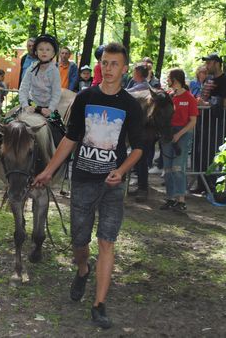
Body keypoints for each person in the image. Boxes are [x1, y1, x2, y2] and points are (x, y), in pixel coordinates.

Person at [32, 42, 143, 330]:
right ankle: (82, 269)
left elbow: (139, 148)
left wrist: (121, 171)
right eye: (104, 63)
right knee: (80, 242)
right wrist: (47, 170)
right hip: (82, 180)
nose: (108, 69)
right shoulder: (85, 98)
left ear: (125, 68)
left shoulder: (130, 104)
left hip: (112, 186)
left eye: (114, 64)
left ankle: (99, 305)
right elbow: (70, 139)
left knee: (107, 241)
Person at [191, 53, 226, 195]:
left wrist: (206, 104)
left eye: (209, 63)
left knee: (210, 153)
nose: (207, 66)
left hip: (214, 122)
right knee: (199, 152)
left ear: (216, 63)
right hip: (202, 120)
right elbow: (203, 97)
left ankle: (211, 186)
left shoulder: (225, 80)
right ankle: (201, 184)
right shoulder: (208, 78)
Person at [160, 69, 198, 211]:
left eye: (169, 78)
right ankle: (170, 198)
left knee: (177, 167)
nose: (167, 81)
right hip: (168, 133)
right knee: (168, 168)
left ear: (175, 79)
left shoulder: (189, 98)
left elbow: (193, 121)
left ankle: (181, 200)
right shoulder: (169, 96)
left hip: (183, 133)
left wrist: (179, 134)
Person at [125, 63, 154, 200]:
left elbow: (126, 93)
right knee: (139, 160)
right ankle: (141, 187)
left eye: (134, 71)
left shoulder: (143, 87)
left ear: (138, 73)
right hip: (140, 128)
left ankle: (143, 188)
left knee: (141, 160)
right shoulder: (135, 84)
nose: (132, 73)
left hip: (145, 129)